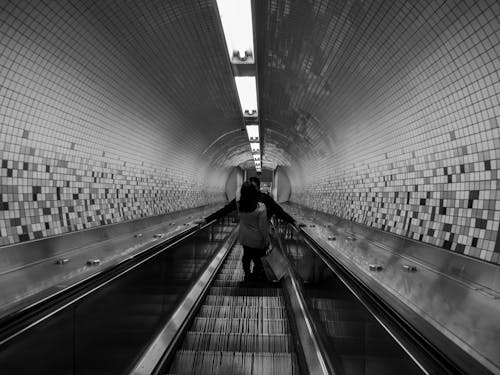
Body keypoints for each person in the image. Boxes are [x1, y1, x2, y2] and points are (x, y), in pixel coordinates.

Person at [204, 176, 296, 225]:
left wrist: (293, 221)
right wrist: (206, 220)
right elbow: (225, 210)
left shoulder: (265, 198)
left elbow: (279, 211)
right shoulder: (242, 198)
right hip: (248, 236)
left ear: (258, 188)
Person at [237, 181, 269, 281]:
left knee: (246, 256)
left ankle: (247, 274)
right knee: (258, 257)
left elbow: (224, 211)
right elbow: (262, 226)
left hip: (244, 237)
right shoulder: (261, 207)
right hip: (257, 238)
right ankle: (257, 275)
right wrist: (266, 238)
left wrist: (206, 220)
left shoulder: (239, 205)